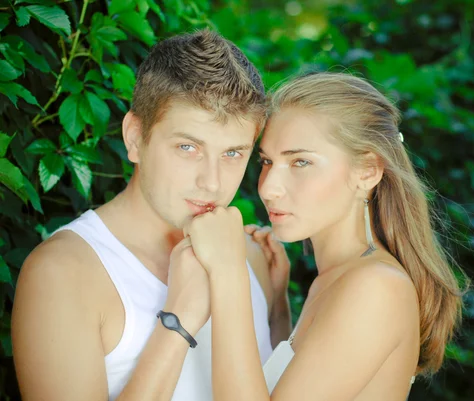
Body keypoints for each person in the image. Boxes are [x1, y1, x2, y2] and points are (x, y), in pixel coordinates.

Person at [11, 29, 292, 401]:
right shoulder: (63, 273)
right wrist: (179, 319)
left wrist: (278, 309)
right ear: (134, 137)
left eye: (232, 154)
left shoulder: (252, 259)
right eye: (188, 147)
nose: (212, 182)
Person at [185, 72, 465, 400]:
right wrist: (277, 311)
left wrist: (227, 273)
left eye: (300, 162)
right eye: (266, 161)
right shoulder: (340, 277)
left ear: (367, 171)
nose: (269, 188)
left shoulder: (376, 287)